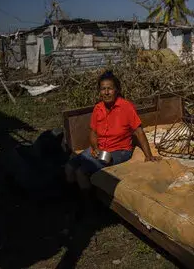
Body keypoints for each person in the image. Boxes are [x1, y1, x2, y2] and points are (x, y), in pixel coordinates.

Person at [65, 71, 157, 212]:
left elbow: (139, 131)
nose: (106, 92)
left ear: (116, 90)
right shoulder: (98, 108)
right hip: (100, 148)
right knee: (70, 166)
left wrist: (148, 155)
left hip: (119, 151)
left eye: (110, 88)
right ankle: (74, 199)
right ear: (99, 91)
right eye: (103, 89)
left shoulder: (126, 107)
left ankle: (89, 207)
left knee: (82, 171)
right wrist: (94, 148)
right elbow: (93, 132)